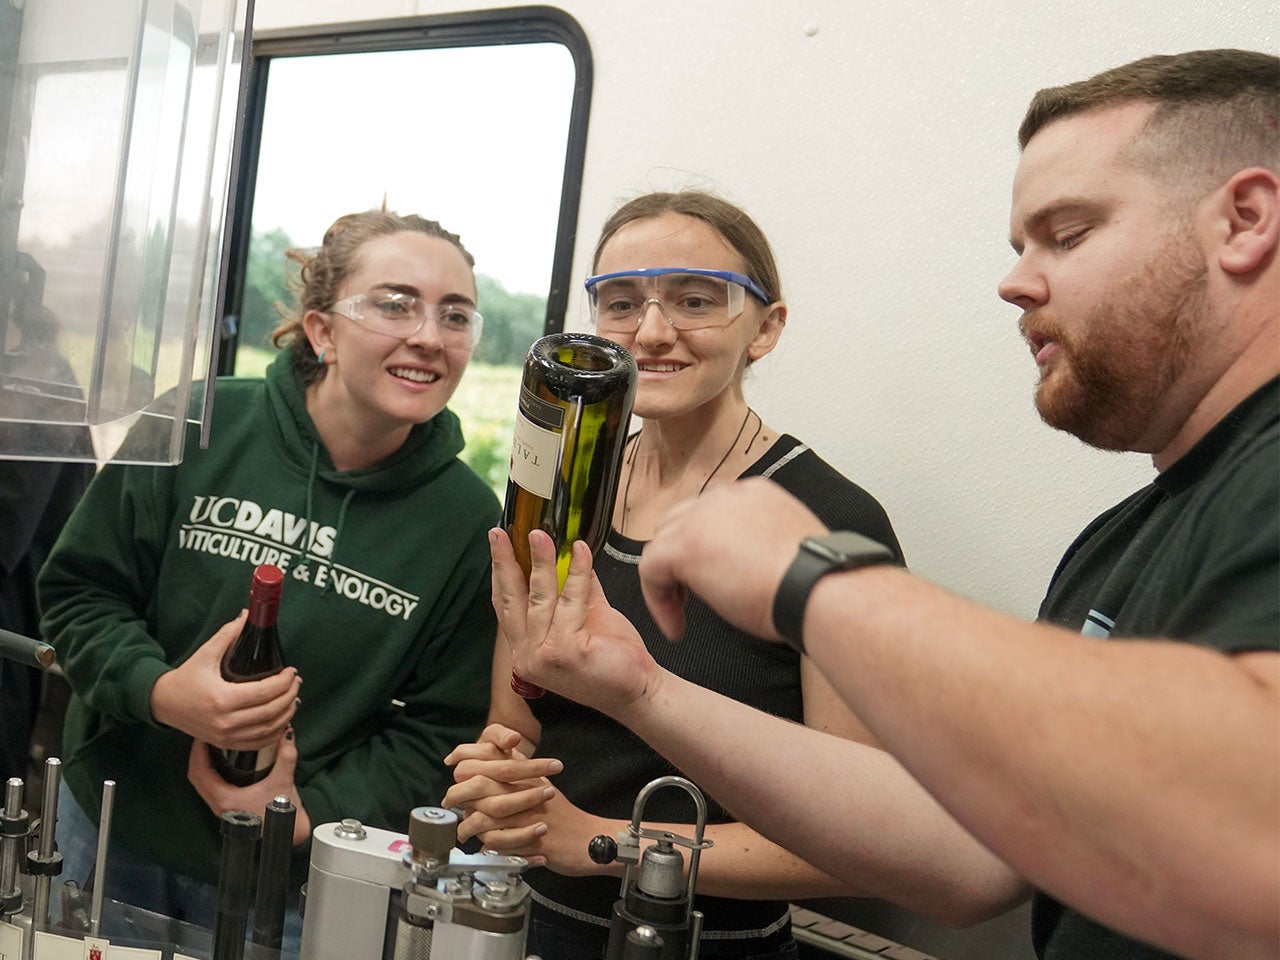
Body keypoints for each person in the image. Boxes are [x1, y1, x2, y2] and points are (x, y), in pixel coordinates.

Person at [487, 50, 1279, 960]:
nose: (1014, 283)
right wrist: (642, 692)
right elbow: (974, 866)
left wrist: (821, 582)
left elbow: (1256, 819)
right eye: (1018, 245)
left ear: (1245, 220)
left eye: (1069, 233)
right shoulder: (1127, 537)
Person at [444, 191, 905, 958]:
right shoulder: (561, 496)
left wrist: (601, 841)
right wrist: (497, 780)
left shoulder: (830, 521)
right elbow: (517, 723)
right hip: (527, 926)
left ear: (768, 327)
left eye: (695, 299)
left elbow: (858, 837)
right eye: (621, 304)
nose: (652, 333)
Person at [38, 209, 499, 935]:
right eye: (395, 303)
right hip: (113, 832)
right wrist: (161, 692)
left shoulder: (468, 524)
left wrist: (300, 813)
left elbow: (445, 729)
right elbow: (79, 593)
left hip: (291, 885)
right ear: (322, 331)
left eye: (456, 315)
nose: (428, 337)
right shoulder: (196, 420)